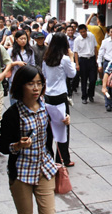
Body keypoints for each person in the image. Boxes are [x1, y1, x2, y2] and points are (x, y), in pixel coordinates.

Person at [0, 65, 67, 214]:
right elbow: (3, 146)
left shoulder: (47, 107)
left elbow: (57, 125)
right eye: (31, 84)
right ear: (20, 85)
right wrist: (17, 145)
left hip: (45, 168)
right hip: (22, 172)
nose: (36, 88)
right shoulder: (12, 114)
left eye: (39, 83)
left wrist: (64, 121)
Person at [43, 32, 77, 167]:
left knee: (49, 128)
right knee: (63, 127)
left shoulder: (46, 58)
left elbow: (44, 75)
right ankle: (63, 158)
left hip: (48, 96)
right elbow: (72, 74)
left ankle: (49, 157)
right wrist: (72, 59)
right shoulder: (64, 59)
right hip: (61, 96)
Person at [8, 30, 36, 104]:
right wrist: (16, 63)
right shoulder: (11, 50)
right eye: (21, 39)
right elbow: (7, 64)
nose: (23, 41)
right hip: (14, 79)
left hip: (26, 79)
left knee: (25, 101)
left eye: (25, 39)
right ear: (16, 39)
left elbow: (33, 64)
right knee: (14, 102)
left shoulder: (30, 51)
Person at [73, 24, 98, 104]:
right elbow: (75, 52)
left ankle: (91, 94)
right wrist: (77, 64)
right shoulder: (77, 40)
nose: (83, 33)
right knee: (83, 79)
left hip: (92, 59)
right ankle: (84, 97)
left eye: (84, 31)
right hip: (82, 60)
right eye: (81, 32)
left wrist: (96, 59)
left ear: (86, 30)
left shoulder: (91, 36)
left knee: (93, 79)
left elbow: (95, 48)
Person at [65, 25, 79, 96]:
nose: (70, 31)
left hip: (75, 57)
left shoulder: (77, 39)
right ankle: (69, 89)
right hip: (67, 58)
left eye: (71, 30)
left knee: (75, 73)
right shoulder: (64, 39)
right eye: (68, 30)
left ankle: (73, 86)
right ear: (66, 31)